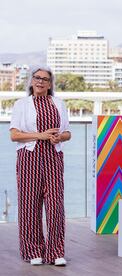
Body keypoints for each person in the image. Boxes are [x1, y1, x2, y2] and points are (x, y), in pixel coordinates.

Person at [9, 66, 71, 266]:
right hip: (29, 157)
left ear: (50, 84)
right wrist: (41, 135)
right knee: (29, 206)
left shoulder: (59, 103)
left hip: (53, 157)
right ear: (31, 81)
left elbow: (67, 133)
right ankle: (33, 251)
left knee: (55, 206)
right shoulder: (22, 105)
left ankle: (56, 252)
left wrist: (58, 137)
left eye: (45, 79)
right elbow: (14, 135)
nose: (40, 81)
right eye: (37, 78)